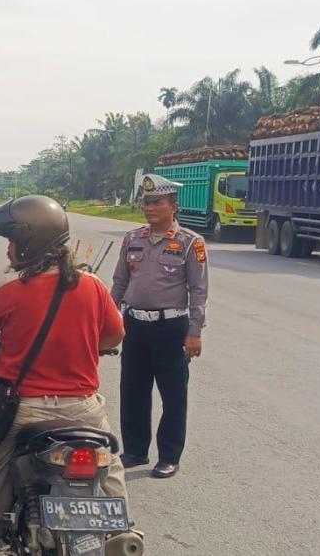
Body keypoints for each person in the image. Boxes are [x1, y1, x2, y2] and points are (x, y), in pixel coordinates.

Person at [0, 195, 128, 556]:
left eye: (11, 241)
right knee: (110, 464)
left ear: (28, 242)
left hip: (24, 409)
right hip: (82, 408)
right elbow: (114, 336)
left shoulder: (9, 290)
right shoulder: (92, 285)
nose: (8, 250)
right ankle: (119, 532)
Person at [110, 173, 209, 479]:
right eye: (146, 202)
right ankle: (136, 450)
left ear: (173, 206)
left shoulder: (191, 242)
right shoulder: (132, 239)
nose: (150, 208)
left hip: (171, 328)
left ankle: (168, 456)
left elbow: (199, 290)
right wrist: (108, 321)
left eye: (157, 202)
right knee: (133, 391)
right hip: (135, 326)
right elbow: (119, 283)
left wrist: (194, 332)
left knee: (173, 395)